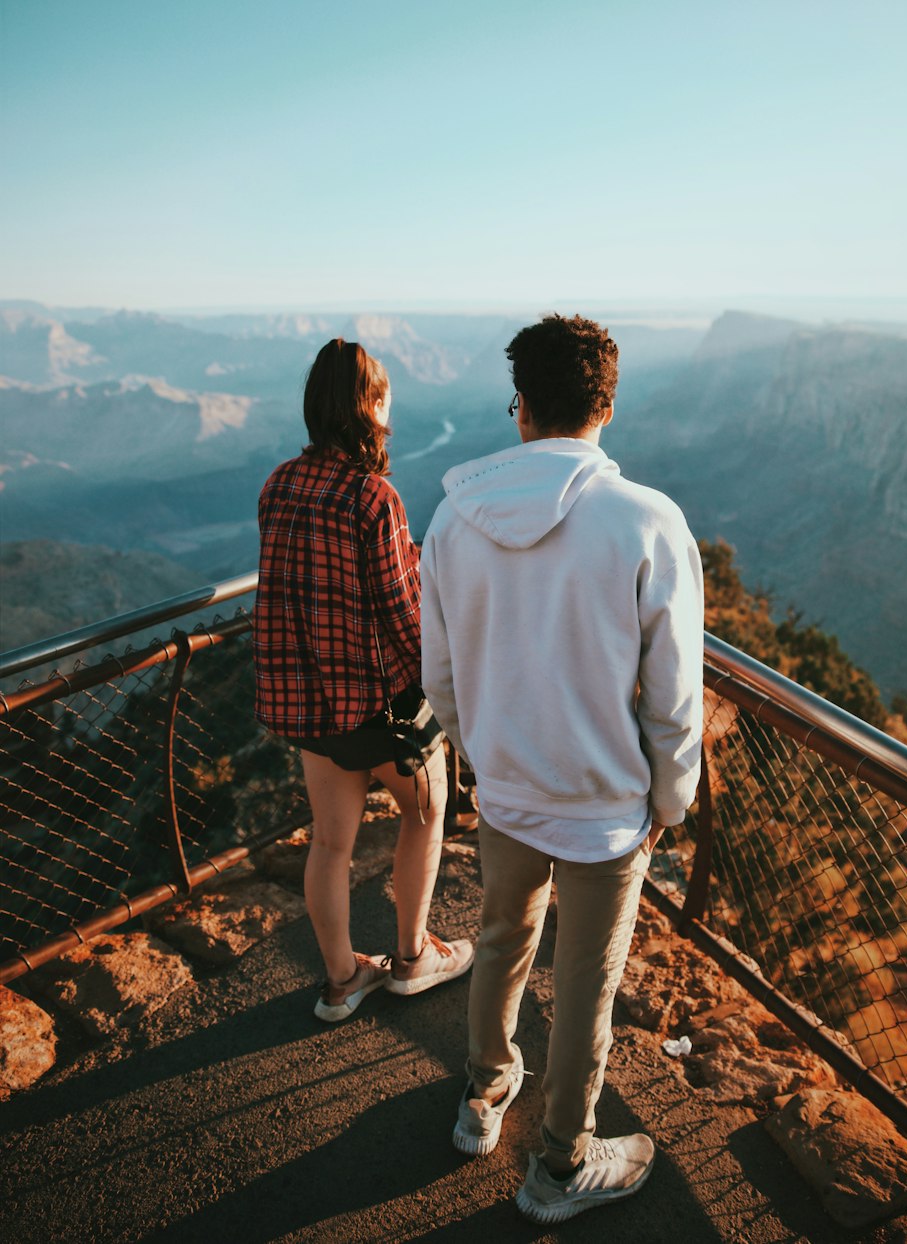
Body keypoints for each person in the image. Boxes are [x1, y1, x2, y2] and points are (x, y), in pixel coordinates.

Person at [420, 313, 703, 1224]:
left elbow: (442, 674)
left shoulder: (452, 519)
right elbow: (673, 697)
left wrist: (480, 756)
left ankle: (482, 1097)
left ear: (521, 407)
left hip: (505, 791)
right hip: (604, 809)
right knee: (587, 983)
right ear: (607, 408)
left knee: (500, 943)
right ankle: (560, 1166)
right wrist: (671, 797)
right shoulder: (648, 523)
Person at [253, 337, 473, 1023]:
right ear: (370, 406)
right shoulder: (374, 498)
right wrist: (448, 683)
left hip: (308, 708)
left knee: (331, 842)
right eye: (386, 402)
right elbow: (403, 617)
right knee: (427, 812)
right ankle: (411, 959)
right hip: (378, 712)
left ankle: (344, 979)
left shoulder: (278, 484)